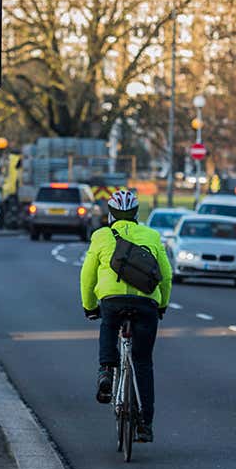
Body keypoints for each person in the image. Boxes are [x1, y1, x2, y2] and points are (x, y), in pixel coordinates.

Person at [80, 188, 172, 443]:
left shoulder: (101, 235)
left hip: (112, 300)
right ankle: (145, 424)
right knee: (142, 362)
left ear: (111, 213)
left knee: (109, 325)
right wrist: (162, 304)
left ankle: (106, 372)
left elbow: (87, 275)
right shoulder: (152, 236)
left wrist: (89, 306)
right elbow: (166, 275)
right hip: (146, 303)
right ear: (135, 214)